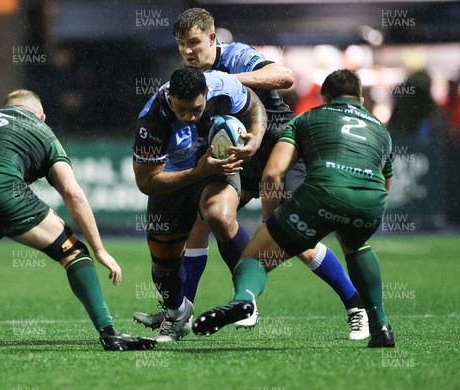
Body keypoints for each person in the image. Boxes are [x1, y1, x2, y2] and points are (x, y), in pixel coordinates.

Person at [134, 7, 369, 340]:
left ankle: (356, 306)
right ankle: (184, 311)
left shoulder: (236, 57)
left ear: (213, 38)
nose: (187, 51)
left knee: (293, 237)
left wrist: (226, 81)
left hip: (278, 150)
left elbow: (284, 76)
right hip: (238, 159)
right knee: (205, 219)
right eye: (181, 45)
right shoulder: (187, 86)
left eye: (194, 42)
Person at [0, 89, 156, 352]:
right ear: (41, 116)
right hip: (1, 190)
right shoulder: (42, 131)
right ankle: (109, 333)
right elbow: (72, 193)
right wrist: (100, 250)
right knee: (73, 251)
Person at [192, 69, 396, 348]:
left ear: (324, 98)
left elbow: (273, 174)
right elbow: (386, 183)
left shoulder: (308, 118)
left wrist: (270, 221)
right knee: (357, 245)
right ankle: (381, 326)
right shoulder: (380, 130)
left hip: (323, 193)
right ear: (360, 99)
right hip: (371, 202)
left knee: (256, 258)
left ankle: (244, 301)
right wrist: (364, 212)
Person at [132, 66, 266, 342]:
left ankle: (245, 300)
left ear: (206, 92)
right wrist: (197, 173)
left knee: (219, 215)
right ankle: (177, 313)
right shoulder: (151, 121)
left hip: (216, 170)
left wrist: (256, 137)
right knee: (163, 267)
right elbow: (146, 183)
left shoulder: (223, 86)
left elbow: (254, 104)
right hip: (172, 177)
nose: (189, 117)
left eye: (195, 109)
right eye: (182, 110)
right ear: (169, 97)